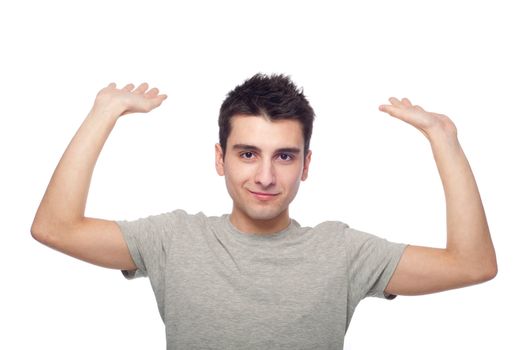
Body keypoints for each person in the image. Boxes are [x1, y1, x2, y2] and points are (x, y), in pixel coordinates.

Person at [31, 74, 497, 349]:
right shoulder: (172, 240)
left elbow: (471, 265)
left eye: (285, 156)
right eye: (248, 154)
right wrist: (102, 114)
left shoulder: (342, 251)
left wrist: (445, 141)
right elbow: (55, 228)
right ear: (220, 159)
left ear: (306, 164)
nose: (266, 177)